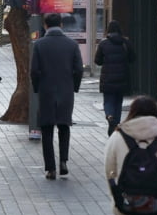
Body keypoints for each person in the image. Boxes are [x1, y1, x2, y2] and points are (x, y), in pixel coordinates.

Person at [104, 96, 157, 215]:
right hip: (155, 205)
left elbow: (109, 170)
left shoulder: (118, 137)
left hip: (125, 204)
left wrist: (115, 196)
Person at [30, 13, 84, 180]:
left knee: (46, 129)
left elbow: (34, 71)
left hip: (46, 91)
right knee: (64, 127)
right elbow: (79, 70)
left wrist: (38, 87)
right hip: (66, 91)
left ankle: (50, 168)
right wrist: (74, 87)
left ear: (45, 25)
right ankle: (64, 162)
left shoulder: (39, 45)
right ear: (61, 25)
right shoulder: (72, 45)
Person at [96, 20, 135, 136]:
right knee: (118, 102)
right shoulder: (125, 43)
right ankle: (115, 124)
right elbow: (133, 58)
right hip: (122, 78)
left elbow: (97, 61)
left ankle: (109, 116)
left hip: (107, 78)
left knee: (108, 100)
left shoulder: (103, 44)